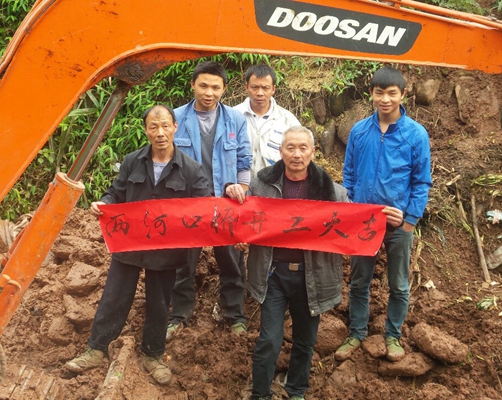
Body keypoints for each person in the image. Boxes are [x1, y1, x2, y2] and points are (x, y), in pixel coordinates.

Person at [65, 105, 211, 385]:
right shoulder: (133, 161)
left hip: (166, 250)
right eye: (153, 127)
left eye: (165, 126)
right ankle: (96, 349)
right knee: (114, 296)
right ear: (146, 130)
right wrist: (104, 203)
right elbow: (116, 192)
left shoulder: (191, 169)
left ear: (175, 127)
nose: (160, 133)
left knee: (159, 303)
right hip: (130, 244)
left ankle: (153, 355)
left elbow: (204, 207)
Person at [226, 126, 348, 400]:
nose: (296, 154)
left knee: (305, 341)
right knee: (269, 339)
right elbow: (246, 222)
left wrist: (381, 219)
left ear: (313, 152)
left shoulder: (333, 191)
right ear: (280, 151)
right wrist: (242, 237)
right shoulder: (261, 185)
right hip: (274, 274)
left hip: (311, 276)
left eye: (303, 148)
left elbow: (348, 228)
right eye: (290, 148)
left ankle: (296, 391)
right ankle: (260, 393)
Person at [335, 66, 432, 363]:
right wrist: (352, 209)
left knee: (399, 285)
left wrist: (409, 220)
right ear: (371, 94)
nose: (385, 99)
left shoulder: (415, 134)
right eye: (380, 93)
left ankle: (393, 335)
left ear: (403, 95)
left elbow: (421, 181)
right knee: (359, 281)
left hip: (398, 224)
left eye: (392, 93)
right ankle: (357, 333)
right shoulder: (359, 131)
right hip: (364, 223)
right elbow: (349, 174)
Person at [167, 61, 252, 340]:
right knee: (183, 262)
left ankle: (235, 315)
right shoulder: (176, 118)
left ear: (224, 89)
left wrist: (241, 191)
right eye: (203, 85)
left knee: (232, 262)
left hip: (225, 205)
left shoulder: (235, 120)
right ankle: (179, 316)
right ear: (192, 85)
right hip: (188, 206)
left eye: (216, 87)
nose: (209, 92)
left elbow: (244, 160)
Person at [234, 64, 300, 176]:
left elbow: (299, 156)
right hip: (238, 184)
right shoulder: (232, 116)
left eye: (265, 88)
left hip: (274, 185)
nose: (260, 93)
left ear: (273, 89)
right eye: (255, 87)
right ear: (246, 87)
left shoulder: (288, 121)